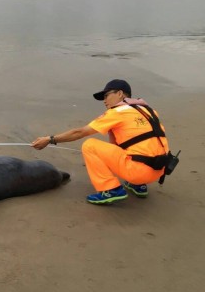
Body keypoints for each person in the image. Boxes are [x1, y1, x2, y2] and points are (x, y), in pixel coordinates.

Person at [31, 79, 170, 205]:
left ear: (120, 93)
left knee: (89, 145)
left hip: (138, 171)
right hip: (159, 170)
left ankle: (111, 189)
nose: (104, 101)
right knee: (138, 146)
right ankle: (138, 185)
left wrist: (50, 139)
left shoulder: (117, 112)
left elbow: (80, 132)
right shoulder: (148, 110)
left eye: (106, 95)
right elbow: (120, 146)